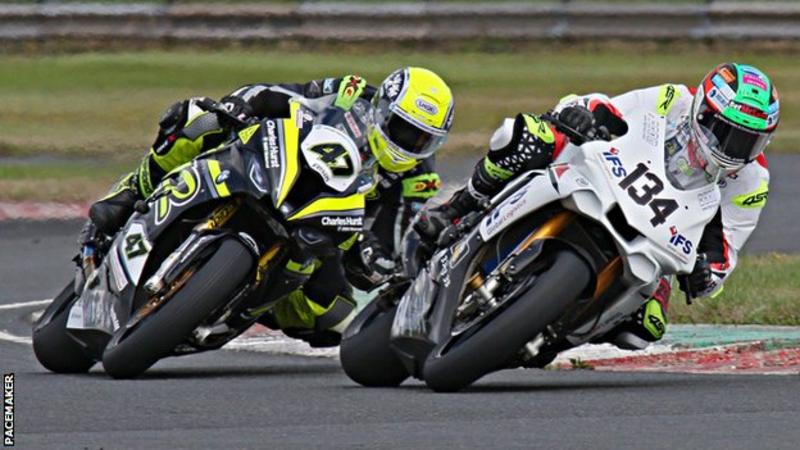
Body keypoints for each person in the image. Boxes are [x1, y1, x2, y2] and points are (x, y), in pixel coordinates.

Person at [416, 63, 778, 349]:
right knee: (527, 137)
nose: (735, 150)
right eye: (728, 133)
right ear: (703, 113)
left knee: (646, 326)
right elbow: (606, 106)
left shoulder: (752, 181)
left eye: (750, 141)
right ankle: (458, 207)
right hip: (612, 173)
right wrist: (580, 114)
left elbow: (725, 251)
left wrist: (704, 275)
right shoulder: (673, 100)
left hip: (661, 230)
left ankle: (555, 334)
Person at [85, 67, 455, 347]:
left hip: (323, 233)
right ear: (384, 109)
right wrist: (240, 105)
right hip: (276, 169)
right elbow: (277, 95)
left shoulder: (417, 177)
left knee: (332, 316)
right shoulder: (350, 94)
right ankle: (132, 191)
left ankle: (237, 302)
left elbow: (391, 239)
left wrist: (373, 257)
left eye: (424, 140)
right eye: (404, 129)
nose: (410, 144)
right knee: (198, 118)